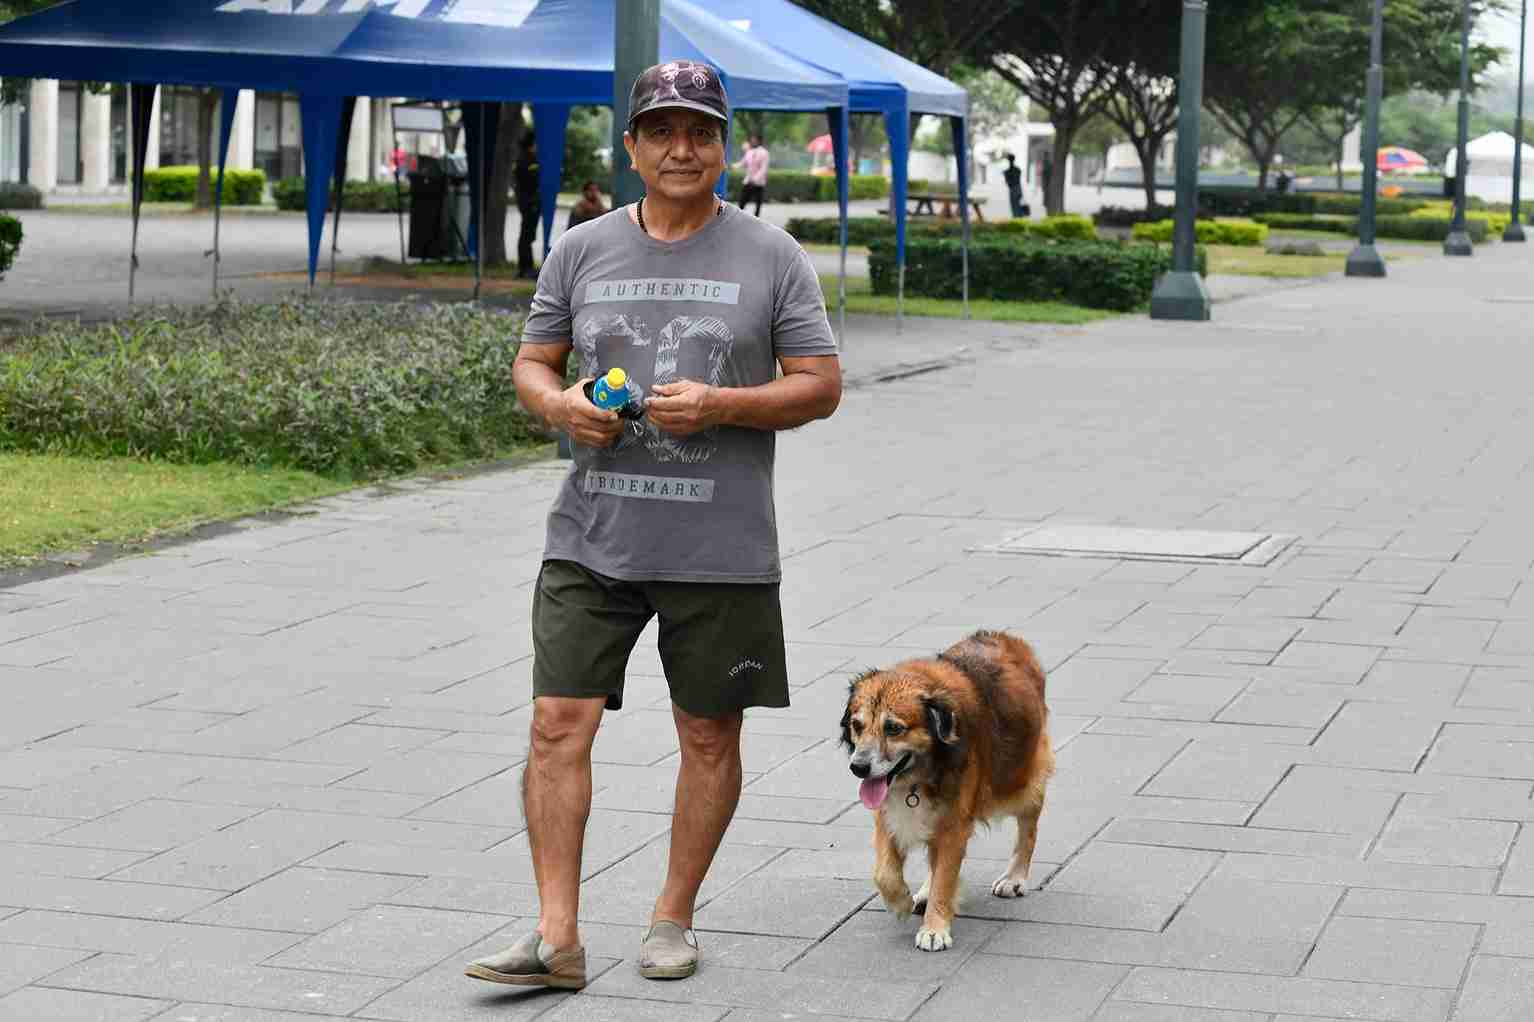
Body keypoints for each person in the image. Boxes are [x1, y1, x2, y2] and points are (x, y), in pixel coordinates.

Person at [464, 58, 841, 991]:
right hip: (591, 533)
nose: (683, 148)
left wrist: (719, 405)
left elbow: (821, 385)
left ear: (724, 146)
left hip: (721, 546)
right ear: (630, 145)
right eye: (662, 131)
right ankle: (557, 937)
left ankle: (673, 918)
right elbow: (532, 363)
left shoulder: (772, 255)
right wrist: (562, 408)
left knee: (709, 735)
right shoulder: (581, 249)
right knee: (558, 723)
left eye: (702, 131)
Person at [515, 135, 541, 278]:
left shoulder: (526, 159)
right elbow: (531, 180)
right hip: (529, 202)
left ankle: (526, 266)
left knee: (528, 235)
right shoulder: (526, 160)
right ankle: (525, 268)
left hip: (528, 202)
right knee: (526, 235)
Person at [735, 132, 769, 216]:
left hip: (758, 183)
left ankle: (757, 218)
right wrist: (734, 166)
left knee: (758, 203)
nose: (753, 141)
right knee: (742, 200)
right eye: (752, 139)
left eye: (755, 140)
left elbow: (764, 168)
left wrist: (756, 178)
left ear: (759, 141)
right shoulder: (749, 152)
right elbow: (743, 162)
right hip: (748, 181)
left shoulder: (764, 153)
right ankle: (738, 216)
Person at [1002, 152, 1026, 219]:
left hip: (1013, 189)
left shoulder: (1009, 171)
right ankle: (1018, 218)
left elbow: (1009, 182)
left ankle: (1017, 218)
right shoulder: (1017, 170)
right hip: (1017, 188)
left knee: (1015, 206)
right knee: (1017, 205)